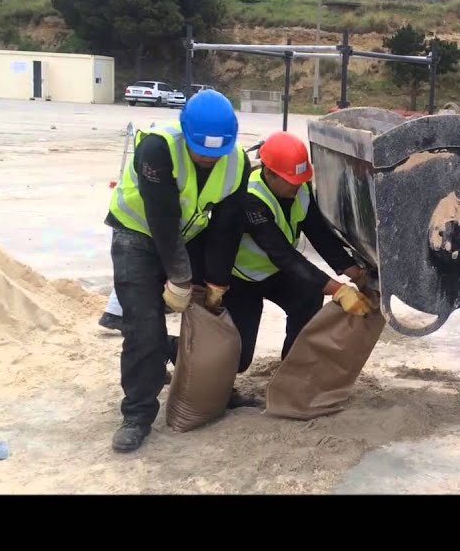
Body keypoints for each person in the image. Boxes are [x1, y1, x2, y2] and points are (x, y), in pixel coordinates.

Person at [105, 88, 251, 453]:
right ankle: (137, 414)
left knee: (207, 316)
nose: (208, 158)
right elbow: (162, 219)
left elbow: (227, 225)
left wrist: (216, 280)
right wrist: (181, 278)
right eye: (201, 149)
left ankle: (206, 385)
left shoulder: (236, 162)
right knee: (143, 326)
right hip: (137, 237)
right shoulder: (157, 149)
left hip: (188, 235)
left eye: (216, 152)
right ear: (185, 132)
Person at [224, 131, 373, 376]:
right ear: (269, 173)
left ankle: (291, 372)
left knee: (309, 296)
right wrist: (339, 290)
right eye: (291, 180)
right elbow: (283, 254)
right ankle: (171, 348)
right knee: (238, 359)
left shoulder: (299, 188)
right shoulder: (251, 199)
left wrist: (355, 274)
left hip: (275, 275)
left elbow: (321, 237)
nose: (297, 184)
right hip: (242, 281)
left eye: (300, 179)